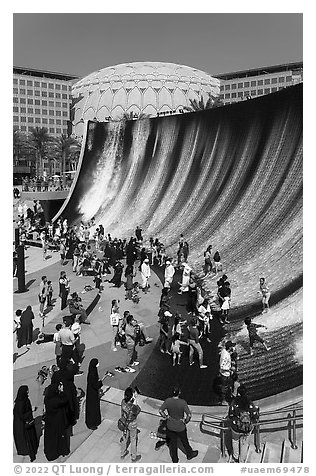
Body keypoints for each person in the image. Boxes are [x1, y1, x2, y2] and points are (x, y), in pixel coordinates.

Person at [159, 386, 199, 463]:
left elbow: (160, 410)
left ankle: (175, 460)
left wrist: (166, 416)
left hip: (170, 425)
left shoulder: (167, 401)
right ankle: (189, 454)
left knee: (173, 444)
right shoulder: (182, 402)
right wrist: (185, 421)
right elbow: (189, 415)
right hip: (180, 426)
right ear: (179, 393)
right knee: (184, 441)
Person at [228, 384, 259, 463]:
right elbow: (255, 415)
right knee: (244, 444)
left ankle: (235, 456)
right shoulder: (249, 403)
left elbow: (230, 415)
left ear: (238, 393)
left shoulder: (234, 403)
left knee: (235, 440)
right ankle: (242, 460)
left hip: (235, 428)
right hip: (247, 428)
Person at [43, 380, 71, 461]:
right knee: (59, 437)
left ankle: (51, 452)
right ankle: (61, 451)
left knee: (51, 438)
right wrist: (62, 391)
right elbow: (65, 400)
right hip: (57, 421)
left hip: (50, 421)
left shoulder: (48, 398)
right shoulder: (56, 399)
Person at [13, 385, 39, 462]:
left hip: (21, 423)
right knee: (25, 439)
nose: (28, 391)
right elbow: (21, 414)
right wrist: (30, 411)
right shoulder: (21, 402)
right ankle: (26, 451)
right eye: (27, 390)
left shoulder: (22, 400)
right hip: (22, 424)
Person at [120, 387, 142, 462]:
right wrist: (135, 403)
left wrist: (133, 399)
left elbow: (127, 406)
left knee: (124, 438)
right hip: (132, 424)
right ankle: (133, 457)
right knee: (133, 440)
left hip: (124, 423)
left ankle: (123, 453)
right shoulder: (133, 406)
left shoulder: (123, 402)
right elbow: (138, 411)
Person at [85, 359, 103, 430]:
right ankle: (93, 423)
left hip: (91, 393)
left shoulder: (92, 371)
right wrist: (100, 383)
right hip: (93, 394)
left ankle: (93, 421)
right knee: (93, 409)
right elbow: (95, 385)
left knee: (92, 408)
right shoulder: (92, 373)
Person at [219, 340, 235, 405]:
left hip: (226, 373)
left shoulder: (225, 351)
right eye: (232, 346)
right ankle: (223, 401)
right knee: (224, 388)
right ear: (229, 347)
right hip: (224, 374)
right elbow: (222, 366)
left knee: (227, 386)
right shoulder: (225, 355)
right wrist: (229, 369)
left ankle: (228, 396)